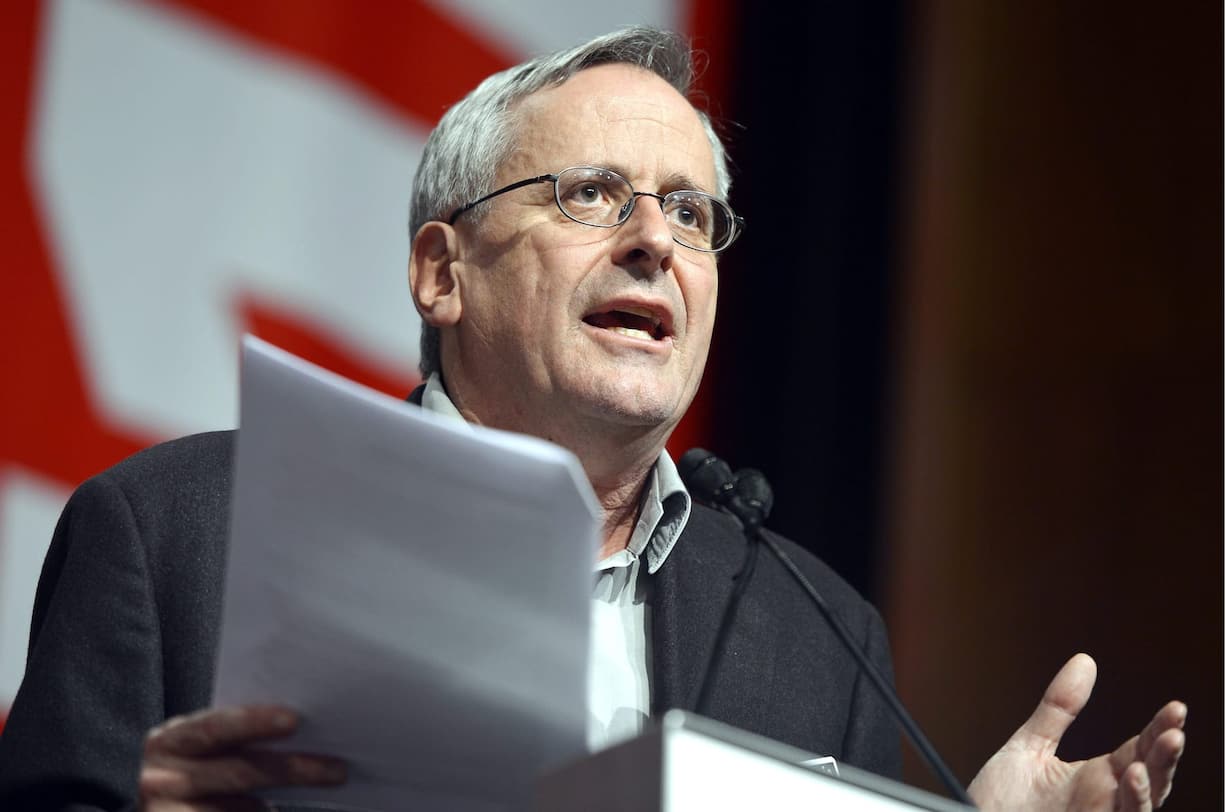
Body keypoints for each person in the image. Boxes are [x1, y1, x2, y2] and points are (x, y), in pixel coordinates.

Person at [0, 27, 1185, 812]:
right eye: (592, 194)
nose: (653, 240)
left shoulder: (818, 635)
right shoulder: (174, 532)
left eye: (690, 212)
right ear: (442, 271)